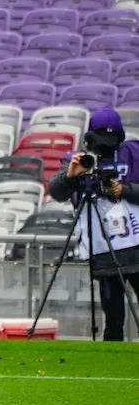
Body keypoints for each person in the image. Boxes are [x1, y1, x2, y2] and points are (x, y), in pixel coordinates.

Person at [47, 106, 139, 341]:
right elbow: (56, 193)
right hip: (104, 247)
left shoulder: (134, 153)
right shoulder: (80, 160)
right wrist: (70, 176)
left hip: (136, 243)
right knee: (113, 314)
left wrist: (124, 190)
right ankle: (112, 351)